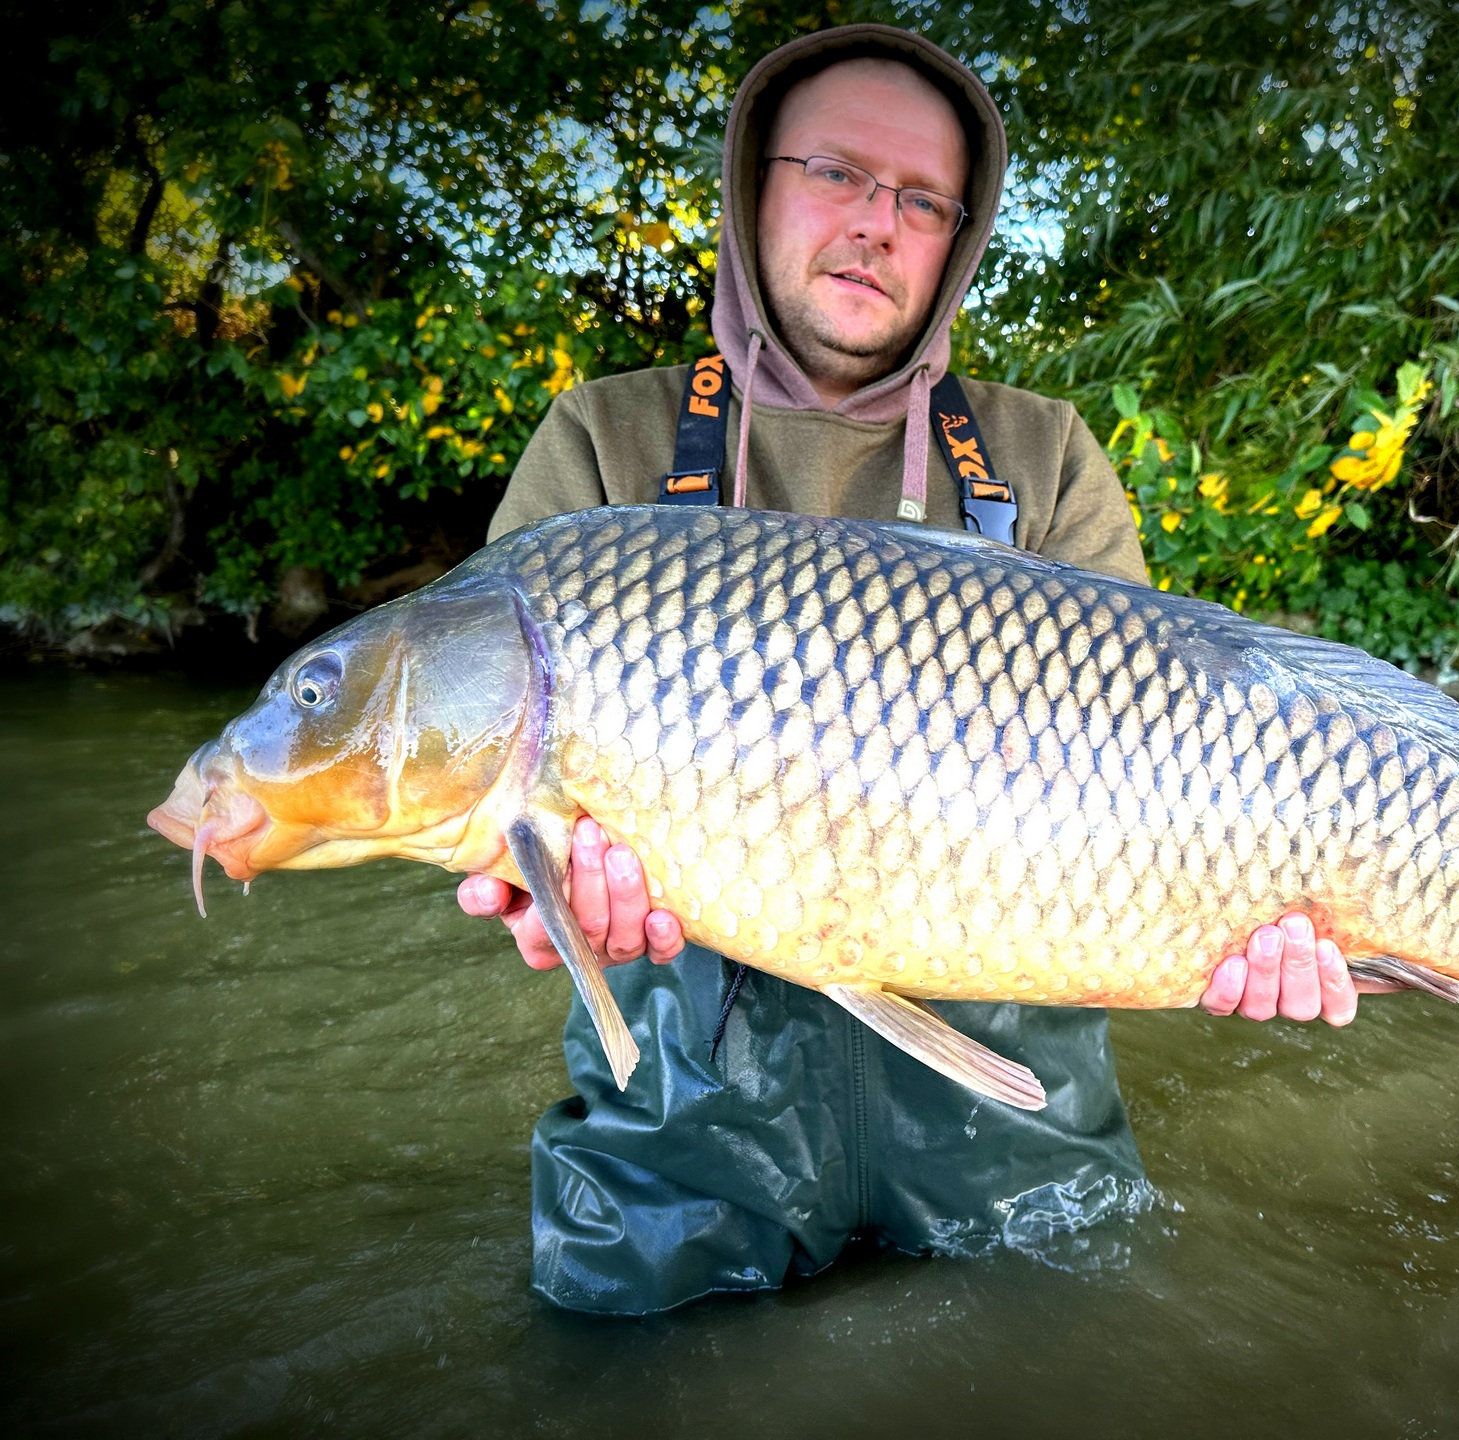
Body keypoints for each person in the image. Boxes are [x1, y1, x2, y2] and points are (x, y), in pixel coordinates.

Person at [456, 24, 1379, 1317]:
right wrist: (528, 896)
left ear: (960, 234)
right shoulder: (605, 445)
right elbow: (501, 805)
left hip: (1009, 1114)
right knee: (615, 1359)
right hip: (692, 1120)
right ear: (753, 188)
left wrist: (1253, 924)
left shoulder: (1043, 456)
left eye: (922, 199)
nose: (877, 222)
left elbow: (1178, 780)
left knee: (1076, 1357)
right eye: (837, 172)